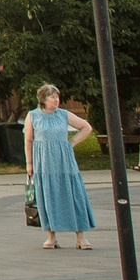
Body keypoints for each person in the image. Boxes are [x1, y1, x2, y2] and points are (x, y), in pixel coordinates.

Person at [25, 84, 96, 250]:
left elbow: (86, 127)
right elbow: (28, 140)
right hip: (44, 163)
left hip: (65, 162)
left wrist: (72, 142)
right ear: (43, 99)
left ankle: (80, 237)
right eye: (52, 97)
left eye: (57, 97)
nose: (56, 100)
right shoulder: (33, 116)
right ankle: (51, 236)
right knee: (48, 197)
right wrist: (29, 164)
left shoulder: (64, 114)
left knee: (74, 194)